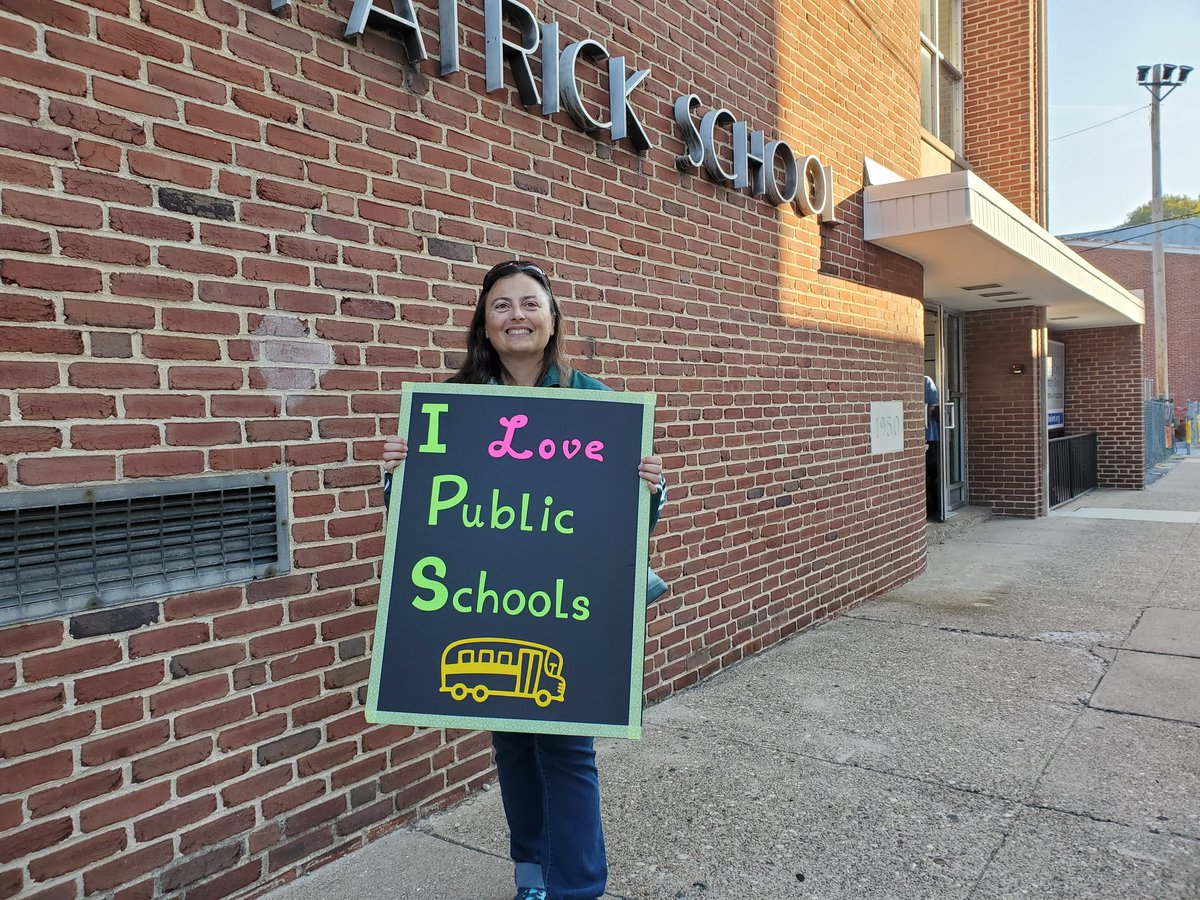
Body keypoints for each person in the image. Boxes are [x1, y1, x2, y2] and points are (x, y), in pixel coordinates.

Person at [380, 260, 668, 900]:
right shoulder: (453, 406)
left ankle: (579, 888)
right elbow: (420, 517)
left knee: (567, 749)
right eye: (502, 305)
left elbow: (627, 520)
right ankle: (533, 878)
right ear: (484, 322)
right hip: (488, 599)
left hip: (566, 604)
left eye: (530, 303)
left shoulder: (591, 398)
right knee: (511, 744)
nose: (517, 315)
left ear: (553, 317)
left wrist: (651, 485)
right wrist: (399, 474)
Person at [924, 373, 940, 520]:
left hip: (927, 436)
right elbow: (935, 409)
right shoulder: (926, 381)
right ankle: (931, 507)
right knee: (931, 473)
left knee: (927, 474)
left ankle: (930, 506)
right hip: (930, 436)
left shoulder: (926, 381)